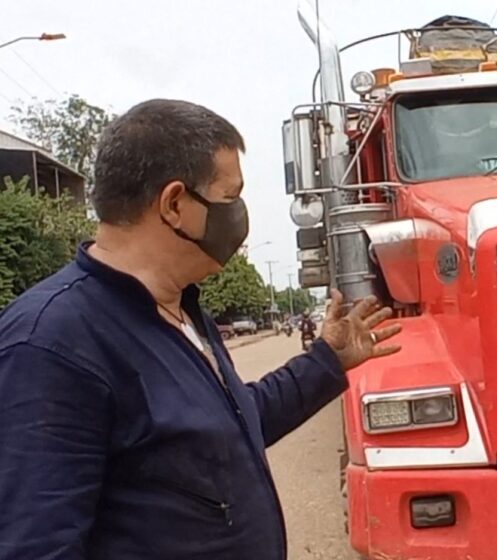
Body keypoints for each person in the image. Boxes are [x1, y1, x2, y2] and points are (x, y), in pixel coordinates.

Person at [0, 99, 401, 560]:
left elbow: (228, 428)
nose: (239, 218)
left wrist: (325, 361)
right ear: (175, 204)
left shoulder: (181, 310)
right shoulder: (51, 344)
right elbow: (35, 545)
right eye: (230, 198)